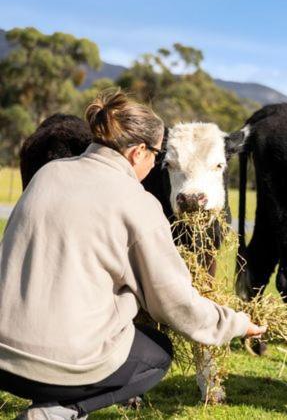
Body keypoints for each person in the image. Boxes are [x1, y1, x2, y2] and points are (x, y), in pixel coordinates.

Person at [0, 89, 266, 420]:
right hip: (56, 366)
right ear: (138, 151)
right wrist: (237, 323)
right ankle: (60, 410)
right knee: (156, 353)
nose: (155, 166)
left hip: (3, 359)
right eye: (158, 157)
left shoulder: (48, 174)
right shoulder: (137, 201)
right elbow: (173, 303)